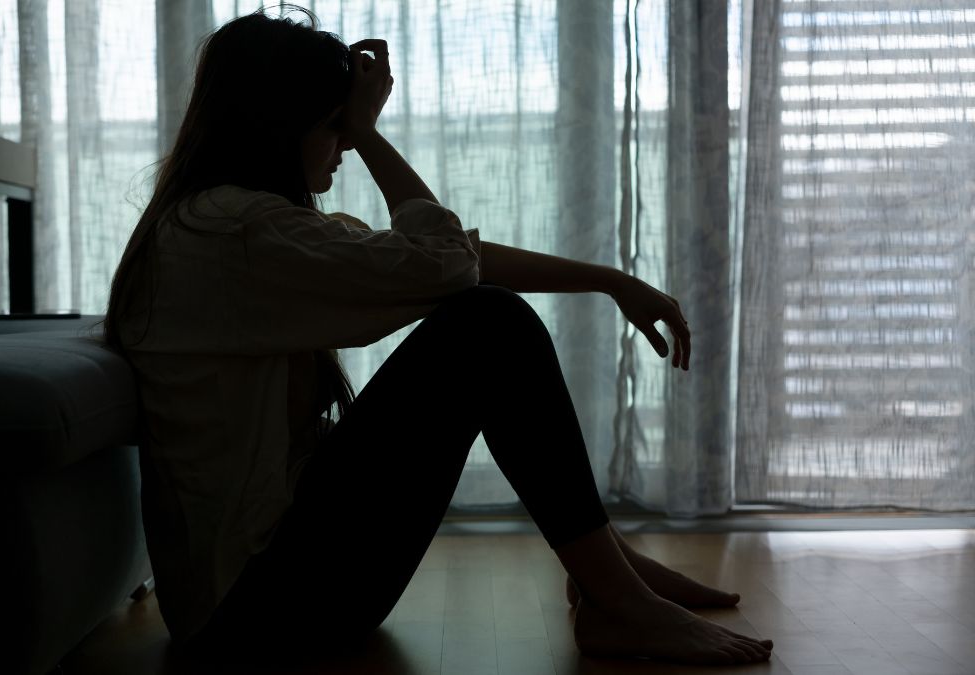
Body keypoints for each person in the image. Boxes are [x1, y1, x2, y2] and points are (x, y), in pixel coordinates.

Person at [103, 6, 774, 668]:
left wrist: (608, 279)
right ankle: (614, 594)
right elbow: (448, 263)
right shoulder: (236, 233)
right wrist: (369, 135)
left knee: (484, 319)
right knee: (488, 326)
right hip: (252, 615)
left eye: (345, 126)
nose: (340, 142)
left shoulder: (227, 226)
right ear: (281, 124)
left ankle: (610, 572)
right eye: (333, 124)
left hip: (257, 595)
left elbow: (452, 258)